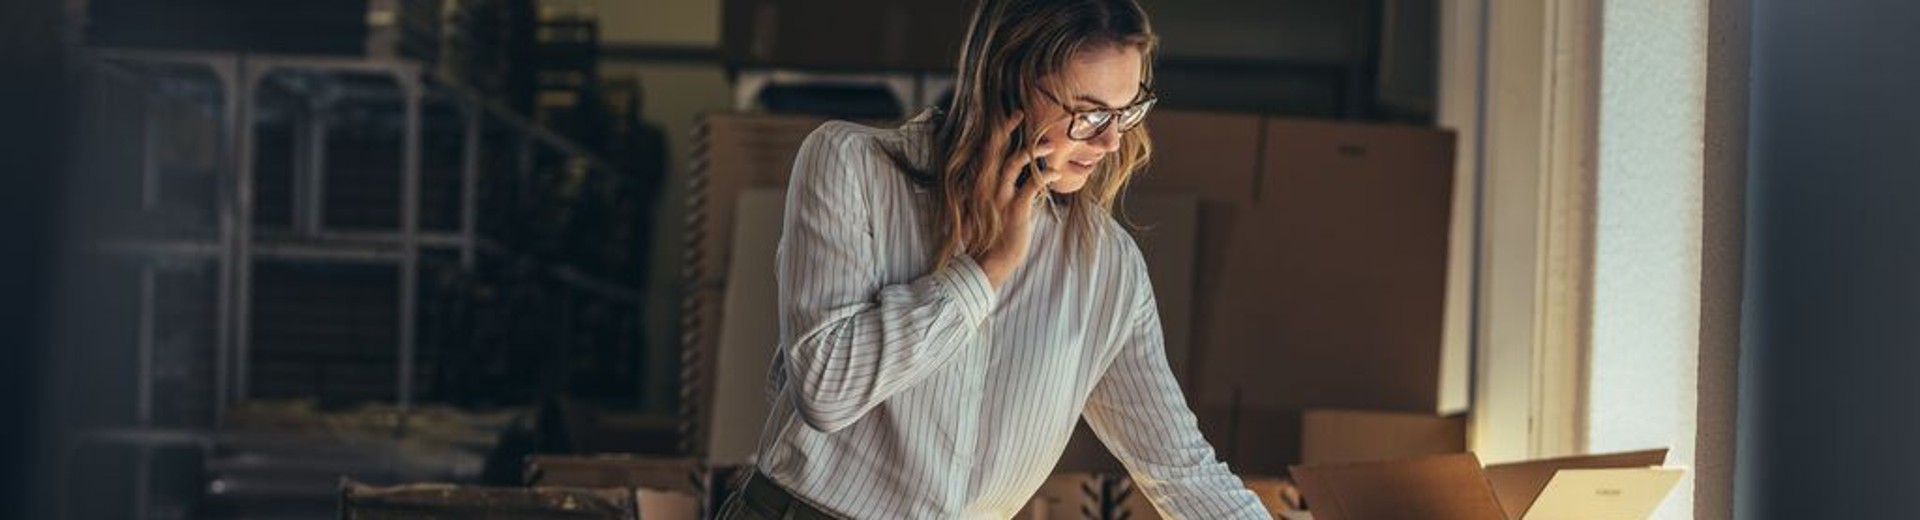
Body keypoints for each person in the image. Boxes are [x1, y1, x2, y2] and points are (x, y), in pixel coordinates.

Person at [717, 0, 1267, 518]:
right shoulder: (850, 167)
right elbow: (825, 391)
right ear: (1009, 84)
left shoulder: (1106, 267)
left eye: (1126, 113)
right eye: (1090, 114)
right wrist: (983, 273)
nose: (1111, 144)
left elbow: (1180, 466)